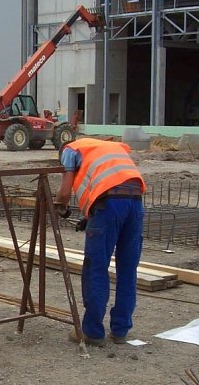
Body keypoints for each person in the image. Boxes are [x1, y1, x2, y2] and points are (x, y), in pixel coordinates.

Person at [55, 137, 146, 347]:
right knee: (128, 269)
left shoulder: (70, 150)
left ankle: (92, 332)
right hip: (135, 204)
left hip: (109, 205)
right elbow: (113, 184)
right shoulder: (107, 147)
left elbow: (65, 192)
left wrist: (61, 207)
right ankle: (121, 330)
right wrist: (89, 219)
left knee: (96, 268)